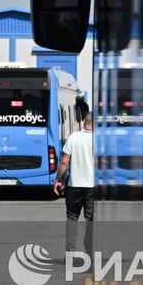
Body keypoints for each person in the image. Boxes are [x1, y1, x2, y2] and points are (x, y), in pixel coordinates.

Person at [55, 96, 96, 258]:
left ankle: (70, 251)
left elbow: (64, 162)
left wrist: (58, 180)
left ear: (84, 122)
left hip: (74, 186)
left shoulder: (73, 137)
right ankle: (90, 252)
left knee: (72, 217)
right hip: (93, 187)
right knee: (91, 220)